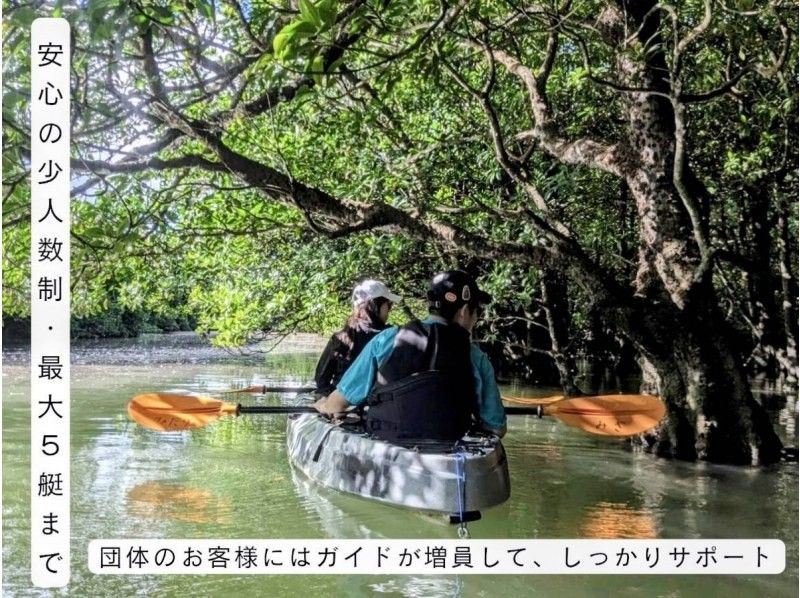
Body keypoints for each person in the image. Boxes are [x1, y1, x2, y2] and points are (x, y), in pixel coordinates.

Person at [315, 270, 507, 442]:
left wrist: (324, 405)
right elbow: (496, 429)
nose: (476, 318)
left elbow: (336, 405)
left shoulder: (387, 340)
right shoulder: (477, 358)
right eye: (477, 312)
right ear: (464, 311)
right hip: (449, 445)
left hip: (387, 440)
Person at [313, 279, 402, 396]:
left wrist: (328, 402)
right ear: (375, 305)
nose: (389, 310)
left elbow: (321, 380)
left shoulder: (341, 338)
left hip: (343, 401)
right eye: (389, 305)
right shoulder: (392, 337)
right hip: (379, 402)